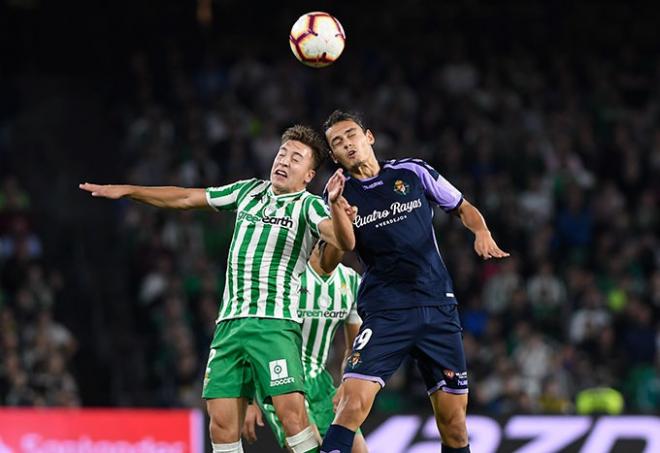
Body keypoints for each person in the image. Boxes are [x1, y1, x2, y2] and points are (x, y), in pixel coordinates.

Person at [80, 125, 355, 453]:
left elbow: (344, 241)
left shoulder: (308, 206)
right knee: (221, 424)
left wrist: (337, 205)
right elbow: (185, 197)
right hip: (229, 326)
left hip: (274, 324)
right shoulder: (247, 192)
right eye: (282, 153)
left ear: (309, 175)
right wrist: (129, 190)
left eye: (296, 158)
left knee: (293, 417)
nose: (284, 161)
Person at [319, 111, 509, 453]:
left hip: (437, 307)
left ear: (369, 137)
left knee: (454, 427)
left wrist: (481, 231)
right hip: (385, 312)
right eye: (338, 142)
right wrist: (336, 210)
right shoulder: (337, 195)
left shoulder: (413, 171)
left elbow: (462, 206)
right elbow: (333, 258)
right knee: (351, 407)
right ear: (333, 156)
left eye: (351, 135)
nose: (347, 144)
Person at [242, 243, 368, 452]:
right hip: (282, 378)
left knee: (359, 449)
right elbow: (252, 332)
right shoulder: (289, 276)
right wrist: (246, 398)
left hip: (320, 381)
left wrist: (348, 382)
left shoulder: (352, 281)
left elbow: (354, 347)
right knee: (309, 447)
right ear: (322, 241)